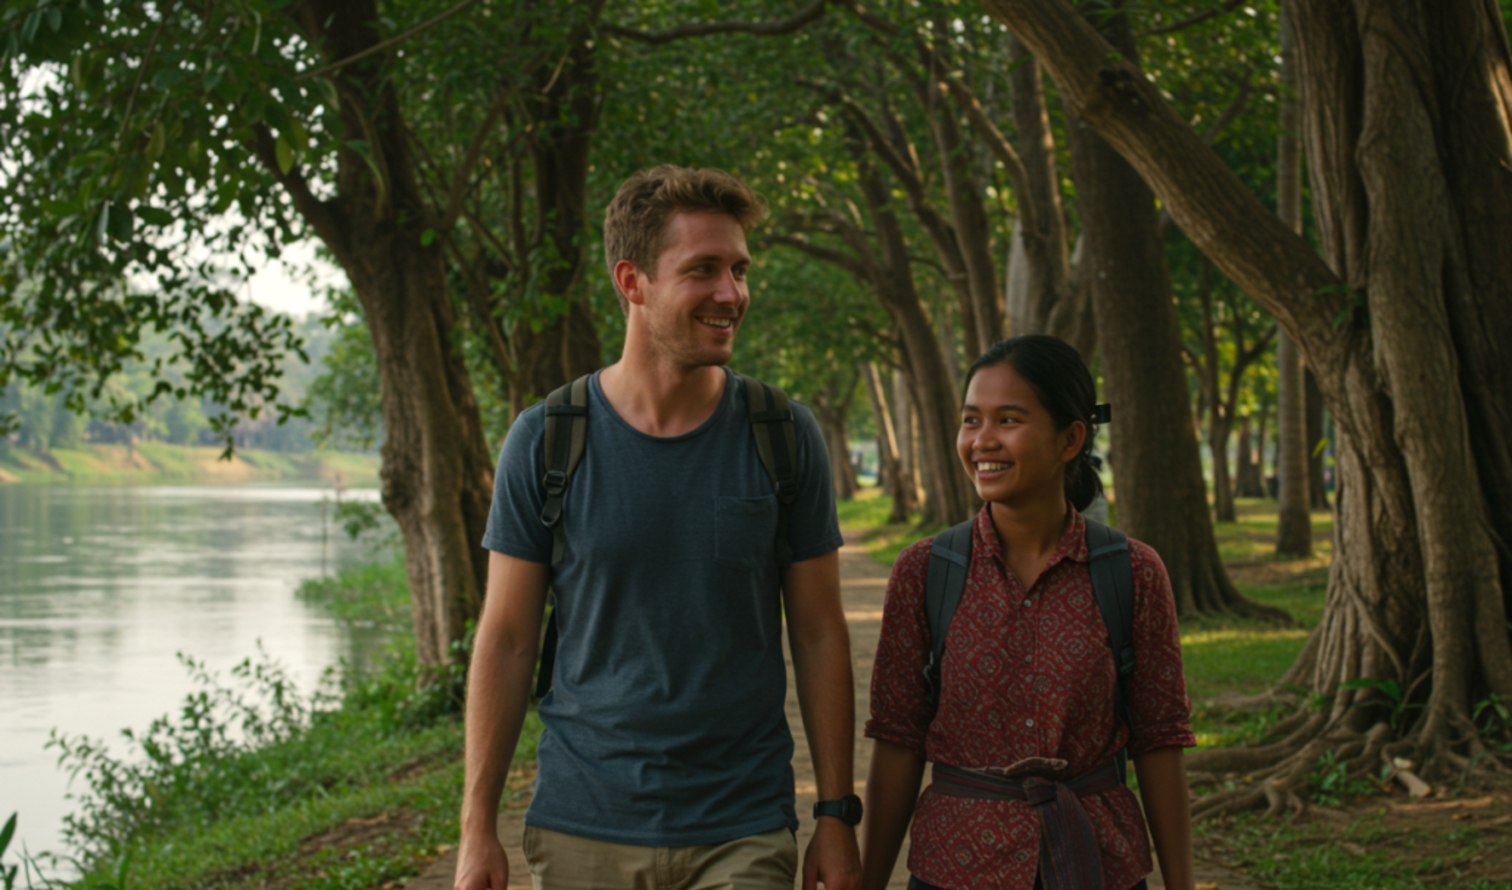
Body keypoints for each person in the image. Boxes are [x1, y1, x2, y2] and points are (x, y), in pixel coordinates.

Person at [455, 166, 862, 890]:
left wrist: (834, 813)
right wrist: (475, 828)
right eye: (702, 270)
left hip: (743, 824)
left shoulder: (783, 436)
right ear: (632, 280)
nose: (731, 293)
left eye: (739, 269)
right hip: (584, 825)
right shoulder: (547, 439)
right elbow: (508, 639)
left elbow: (820, 633)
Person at [858, 335, 1196, 890]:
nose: (982, 441)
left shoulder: (1132, 572)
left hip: (1098, 863)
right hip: (956, 866)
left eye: (1008, 420)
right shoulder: (925, 571)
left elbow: (1159, 741)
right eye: (971, 420)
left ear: (1070, 438)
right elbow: (897, 739)